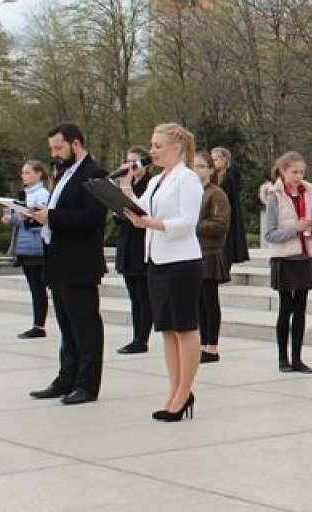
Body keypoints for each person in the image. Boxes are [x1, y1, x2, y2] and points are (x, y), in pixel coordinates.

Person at [120, 124, 204, 422]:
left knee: (184, 327)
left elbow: (186, 223)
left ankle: (184, 391)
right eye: (152, 145)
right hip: (157, 260)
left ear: (176, 148)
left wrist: (150, 224)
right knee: (167, 329)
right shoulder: (157, 180)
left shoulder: (187, 178)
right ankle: (174, 389)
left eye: (158, 146)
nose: (152, 151)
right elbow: (140, 209)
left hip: (182, 262)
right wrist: (125, 187)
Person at [28, 123, 109, 405]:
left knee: (85, 327)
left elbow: (93, 217)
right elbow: (61, 211)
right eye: (52, 148)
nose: (54, 153)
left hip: (80, 263)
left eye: (58, 147)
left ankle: (87, 384)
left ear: (76, 144)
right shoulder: (65, 174)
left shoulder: (94, 173)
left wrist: (51, 217)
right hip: (60, 261)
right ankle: (66, 378)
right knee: (66, 326)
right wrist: (40, 215)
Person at [262, 151, 312, 374]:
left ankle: (297, 358)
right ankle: (282, 358)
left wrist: (311, 230)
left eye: (301, 172)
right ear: (283, 171)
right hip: (284, 258)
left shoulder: (309, 194)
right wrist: (295, 229)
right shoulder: (275, 197)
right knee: (285, 308)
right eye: (294, 172)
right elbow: (270, 234)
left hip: (304, 256)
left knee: (301, 310)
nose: (298, 176)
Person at [4, 160, 52, 339]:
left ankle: (39, 325)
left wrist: (18, 219)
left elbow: (40, 221)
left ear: (39, 174)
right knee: (33, 287)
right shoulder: (25, 194)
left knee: (38, 288)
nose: (24, 176)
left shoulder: (42, 194)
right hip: (24, 245)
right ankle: (36, 323)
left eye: (28, 172)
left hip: (36, 246)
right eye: (23, 172)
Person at [114, 147, 152, 354]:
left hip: (141, 243)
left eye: (134, 162)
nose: (130, 166)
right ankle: (136, 336)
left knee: (143, 295)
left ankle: (141, 338)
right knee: (134, 296)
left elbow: (142, 211)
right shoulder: (125, 185)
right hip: (126, 243)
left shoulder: (149, 184)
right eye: (127, 161)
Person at [193, 152, 231, 364]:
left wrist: (193, 224)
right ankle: (202, 343)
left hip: (209, 251)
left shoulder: (216, 194)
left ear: (210, 169)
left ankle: (212, 346)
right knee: (198, 301)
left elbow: (219, 224)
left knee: (209, 299)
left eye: (201, 166)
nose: (196, 170)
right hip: (193, 251)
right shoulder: (192, 192)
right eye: (194, 166)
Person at [211, 147, 250, 265]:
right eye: (212, 160)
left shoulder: (228, 177)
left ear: (224, 160)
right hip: (219, 217)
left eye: (216, 159)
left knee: (226, 250)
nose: (213, 162)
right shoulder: (214, 177)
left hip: (227, 218)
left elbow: (229, 199)